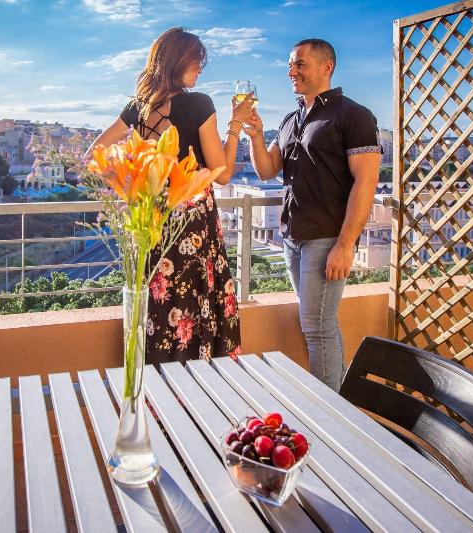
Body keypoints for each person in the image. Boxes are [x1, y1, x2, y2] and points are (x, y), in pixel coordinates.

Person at [89, 27, 255, 365]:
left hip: (151, 222)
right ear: (178, 60)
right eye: (196, 61)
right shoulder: (198, 104)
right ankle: (199, 384)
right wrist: (235, 124)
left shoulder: (138, 107)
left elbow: (95, 153)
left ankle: (157, 385)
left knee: (160, 304)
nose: (200, 68)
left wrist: (134, 188)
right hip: (191, 224)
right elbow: (222, 173)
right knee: (195, 303)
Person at [244, 38, 381, 391]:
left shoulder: (353, 115)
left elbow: (366, 182)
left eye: (300, 64)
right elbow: (267, 170)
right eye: (290, 64)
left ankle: (328, 412)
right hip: (293, 238)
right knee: (320, 324)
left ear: (326, 66)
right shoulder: (291, 119)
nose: (291, 71)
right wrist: (256, 136)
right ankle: (342, 400)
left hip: (327, 237)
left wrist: (346, 245)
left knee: (317, 329)